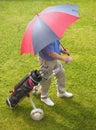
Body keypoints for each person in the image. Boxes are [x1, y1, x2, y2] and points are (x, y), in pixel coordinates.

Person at [38, 39, 73, 106]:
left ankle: (61, 92)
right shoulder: (46, 39)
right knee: (46, 79)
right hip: (46, 61)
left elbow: (57, 43)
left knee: (61, 73)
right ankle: (44, 97)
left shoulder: (52, 34)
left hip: (55, 59)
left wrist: (62, 50)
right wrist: (64, 58)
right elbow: (51, 53)